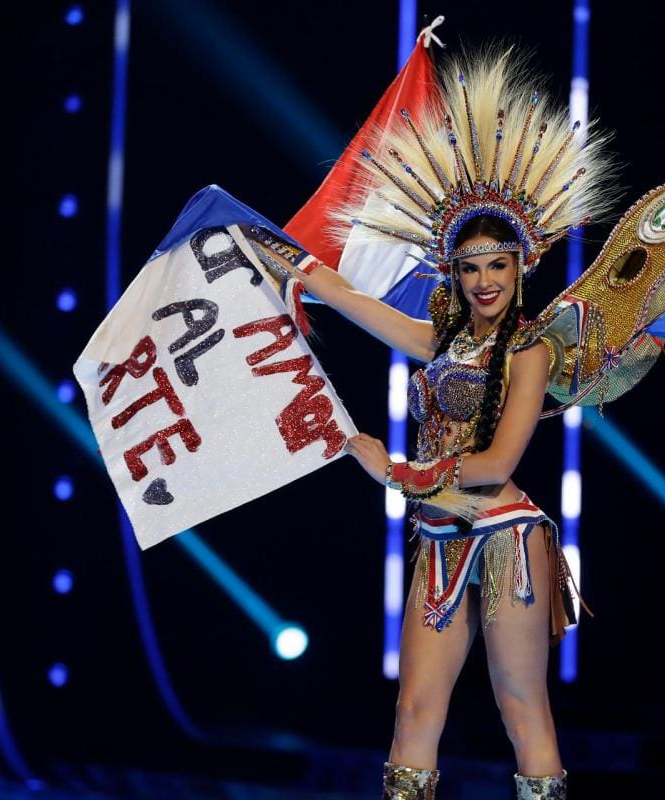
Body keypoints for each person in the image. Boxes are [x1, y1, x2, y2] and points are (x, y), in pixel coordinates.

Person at [253, 48, 614, 800]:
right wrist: (286, 262)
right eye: (470, 267)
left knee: (522, 708)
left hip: (508, 535)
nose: (483, 281)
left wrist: (391, 469)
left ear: (521, 269)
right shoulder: (441, 338)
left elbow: (494, 460)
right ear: (453, 273)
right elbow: (362, 306)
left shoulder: (532, 351)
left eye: (498, 267)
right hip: (440, 540)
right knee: (415, 710)